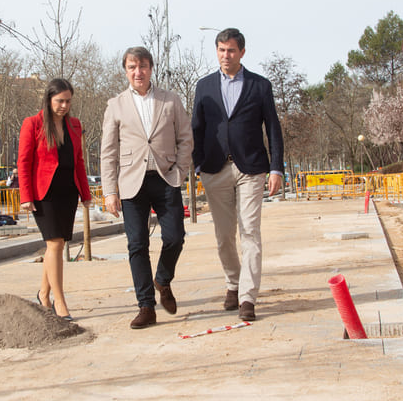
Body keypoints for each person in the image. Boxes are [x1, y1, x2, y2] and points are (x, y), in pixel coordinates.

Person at [192, 28, 284, 322]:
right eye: (221, 50)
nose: (225, 56)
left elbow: (272, 128)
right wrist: (196, 164)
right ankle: (233, 282)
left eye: (231, 50)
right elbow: (196, 128)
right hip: (214, 170)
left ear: (242, 52)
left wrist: (276, 167)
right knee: (223, 236)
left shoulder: (260, 86)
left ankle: (247, 297)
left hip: (251, 169)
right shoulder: (204, 86)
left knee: (250, 233)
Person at [101, 47, 193, 329]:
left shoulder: (170, 100)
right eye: (132, 67)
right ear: (125, 71)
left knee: (175, 236)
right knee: (137, 244)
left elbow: (186, 139)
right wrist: (110, 190)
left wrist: (179, 170)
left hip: (166, 178)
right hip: (131, 182)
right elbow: (108, 151)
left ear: (151, 68)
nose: (137, 72)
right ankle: (146, 305)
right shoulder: (115, 105)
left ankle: (162, 279)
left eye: (142, 66)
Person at [18, 78, 93, 321]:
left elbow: (79, 160)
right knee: (54, 244)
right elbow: (24, 162)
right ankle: (60, 301)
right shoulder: (33, 124)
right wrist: (25, 196)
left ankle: (43, 294)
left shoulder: (75, 125)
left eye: (68, 101)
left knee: (57, 244)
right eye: (59, 101)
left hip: (68, 191)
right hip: (44, 193)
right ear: (49, 100)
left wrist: (85, 194)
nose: (64, 106)